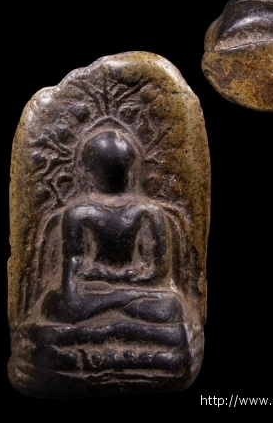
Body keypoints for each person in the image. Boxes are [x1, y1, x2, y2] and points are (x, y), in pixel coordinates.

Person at [43, 130, 183, 324]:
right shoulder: (78, 213)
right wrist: (112, 281)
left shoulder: (147, 212)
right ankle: (122, 311)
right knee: (56, 303)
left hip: (123, 290)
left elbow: (159, 272)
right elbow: (73, 274)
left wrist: (122, 279)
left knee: (171, 303)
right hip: (102, 290)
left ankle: (110, 312)